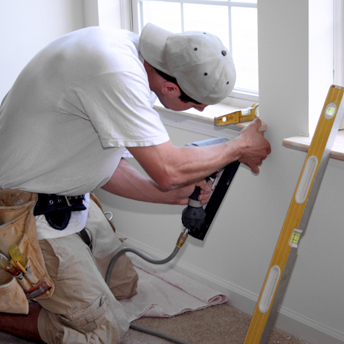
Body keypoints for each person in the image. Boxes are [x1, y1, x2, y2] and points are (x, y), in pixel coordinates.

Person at [0, 23, 271, 344]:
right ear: (170, 88)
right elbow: (167, 169)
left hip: (65, 196)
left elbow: (112, 168)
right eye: (196, 102)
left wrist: (169, 196)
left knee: (123, 284)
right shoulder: (114, 73)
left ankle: (32, 285)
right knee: (106, 330)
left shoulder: (130, 56)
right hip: (22, 210)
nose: (200, 109)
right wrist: (238, 147)